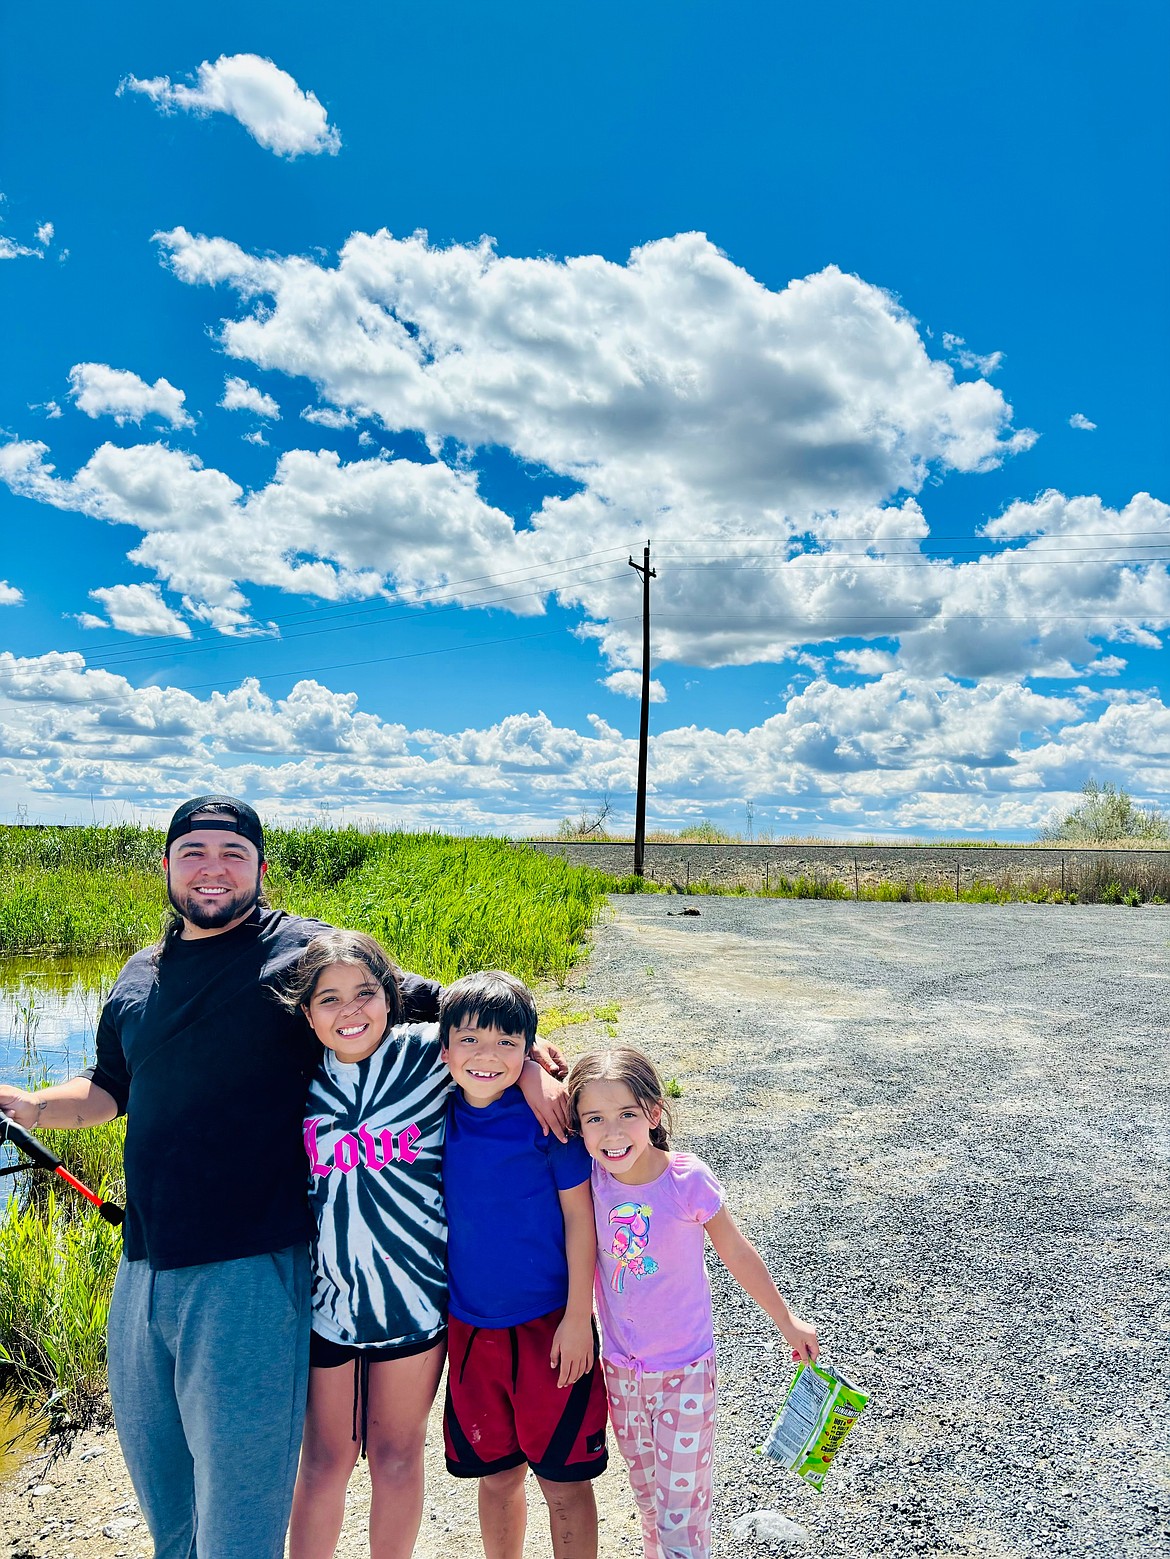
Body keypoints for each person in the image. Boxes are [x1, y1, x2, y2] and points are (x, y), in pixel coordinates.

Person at [0, 795, 564, 1559]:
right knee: (168, 1498)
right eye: (194, 851)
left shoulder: (300, 952)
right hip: (141, 1267)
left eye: (232, 852)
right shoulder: (140, 973)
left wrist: (530, 1062)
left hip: (249, 1265)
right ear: (166, 864)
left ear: (261, 869)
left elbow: (441, 1007)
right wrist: (29, 1103)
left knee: (246, 1504)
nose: (212, 868)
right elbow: (109, 1088)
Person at [283, 930, 573, 1559]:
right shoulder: (296, 1079)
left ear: (391, 999)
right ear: (307, 1013)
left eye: (365, 993)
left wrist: (530, 1068)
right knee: (325, 1462)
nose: (350, 1011)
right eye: (328, 999)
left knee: (394, 1454)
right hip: (328, 1303)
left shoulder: (424, 1057)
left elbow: (485, 1049)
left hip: (413, 1299)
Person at [567, 1047, 820, 1559]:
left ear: (654, 1113)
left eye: (627, 1115)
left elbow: (736, 1251)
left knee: (682, 1511)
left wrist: (786, 1320)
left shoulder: (686, 1180)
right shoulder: (589, 1181)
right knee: (650, 1503)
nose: (612, 1133)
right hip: (620, 1368)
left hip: (684, 1370)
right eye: (595, 1119)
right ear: (578, 1124)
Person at [440, 971, 608, 1559]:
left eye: (508, 1044)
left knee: (564, 1480)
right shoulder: (435, 1113)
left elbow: (580, 1220)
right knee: (497, 1475)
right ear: (445, 1051)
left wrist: (575, 1318)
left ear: (528, 1049)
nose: (487, 1057)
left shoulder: (550, 1123)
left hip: (549, 1326)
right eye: (471, 1042)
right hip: (470, 1327)